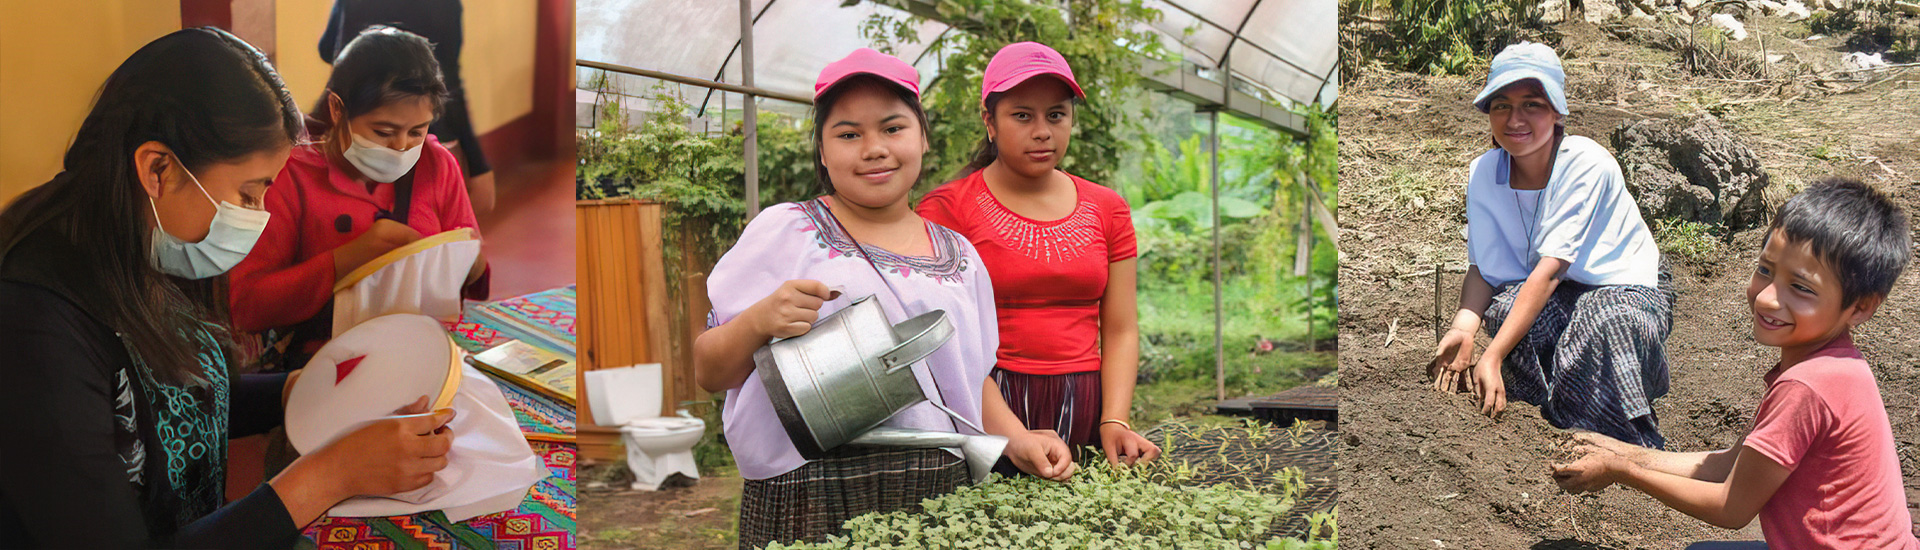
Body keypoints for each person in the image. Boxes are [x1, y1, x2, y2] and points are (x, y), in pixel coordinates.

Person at [0, 28, 454, 549]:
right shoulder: (34, 327)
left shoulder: (150, 240)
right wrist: (330, 476)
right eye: (247, 194)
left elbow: (184, 396)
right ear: (158, 168)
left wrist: (304, 390)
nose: (258, 217)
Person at [692, 48, 1076, 549]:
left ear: (922, 138)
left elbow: (968, 376)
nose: (874, 149)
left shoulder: (960, 257)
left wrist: (1017, 438)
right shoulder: (786, 232)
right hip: (810, 489)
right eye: (849, 134)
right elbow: (709, 372)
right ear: (823, 151)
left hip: (936, 489)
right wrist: (759, 320)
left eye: (893, 128)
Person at [1553, 179, 1917, 549]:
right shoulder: (1836, 365)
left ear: (1862, 306)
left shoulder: (1806, 387)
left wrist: (1621, 470)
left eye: (1801, 288)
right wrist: (1621, 450)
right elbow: (1731, 464)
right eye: (1765, 270)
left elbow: (1731, 507)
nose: (1768, 299)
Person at [916, 42, 1161, 467]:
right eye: (1022, 116)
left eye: (1056, 115)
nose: (1043, 131)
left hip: (1086, 405)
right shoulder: (947, 209)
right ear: (989, 122)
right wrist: (1009, 431)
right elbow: (944, 340)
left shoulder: (1109, 208)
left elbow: (1121, 328)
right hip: (985, 406)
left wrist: (1114, 420)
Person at [1427, 42, 1675, 448]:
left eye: (1532, 105)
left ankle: (1626, 447)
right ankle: (1549, 414)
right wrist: (1464, 329)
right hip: (1556, 288)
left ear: (1557, 112)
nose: (1515, 119)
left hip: (1623, 285)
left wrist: (1493, 354)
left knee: (1607, 326)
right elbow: (1483, 269)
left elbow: (1550, 270)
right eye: (1501, 106)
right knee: (1504, 311)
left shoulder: (1585, 162)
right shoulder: (1484, 172)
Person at [230, 26, 488, 370]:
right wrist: (345, 260)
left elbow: (473, 271)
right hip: (321, 366)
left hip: (421, 353)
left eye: (417, 131)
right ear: (338, 109)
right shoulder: (291, 176)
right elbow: (246, 305)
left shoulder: (437, 166)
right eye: (383, 131)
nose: (401, 147)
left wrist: (468, 261)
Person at [318, 0, 495, 216]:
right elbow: (449, 81)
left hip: (354, 124)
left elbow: (327, 49)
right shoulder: (443, 5)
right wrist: (478, 165)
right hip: (423, 137)